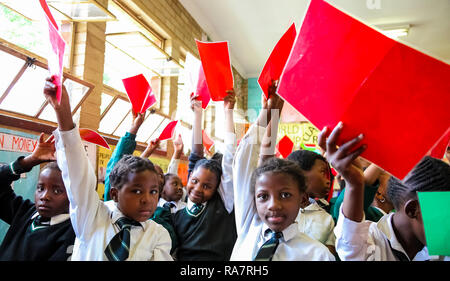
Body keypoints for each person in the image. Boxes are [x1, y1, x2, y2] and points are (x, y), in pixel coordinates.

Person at [43, 76, 172, 260]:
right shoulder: (92, 216)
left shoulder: (158, 235)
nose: (147, 200)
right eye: (136, 191)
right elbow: (78, 174)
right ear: (114, 193)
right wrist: (63, 112)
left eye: (153, 192)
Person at [230, 83, 334, 261]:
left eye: (285, 195)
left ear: (302, 198)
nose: (273, 205)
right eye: (263, 196)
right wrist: (269, 113)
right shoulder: (250, 225)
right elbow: (246, 158)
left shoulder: (318, 255)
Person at [320, 122, 450, 261]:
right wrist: (355, 184)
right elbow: (350, 244)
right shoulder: (370, 244)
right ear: (412, 210)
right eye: (446, 215)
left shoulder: (441, 249)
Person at [173, 90, 237, 261]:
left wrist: (228, 113)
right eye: (194, 181)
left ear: (218, 188)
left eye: (207, 186)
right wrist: (197, 114)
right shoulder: (179, 214)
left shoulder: (224, 204)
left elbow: (230, 156)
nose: (198, 189)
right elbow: (195, 154)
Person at [0, 133, 75, 260]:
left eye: (57, 191)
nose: (44, 196)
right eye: (40, 188)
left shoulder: (71, 233)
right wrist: (30, 161)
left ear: (73, 196)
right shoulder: (25, 212)